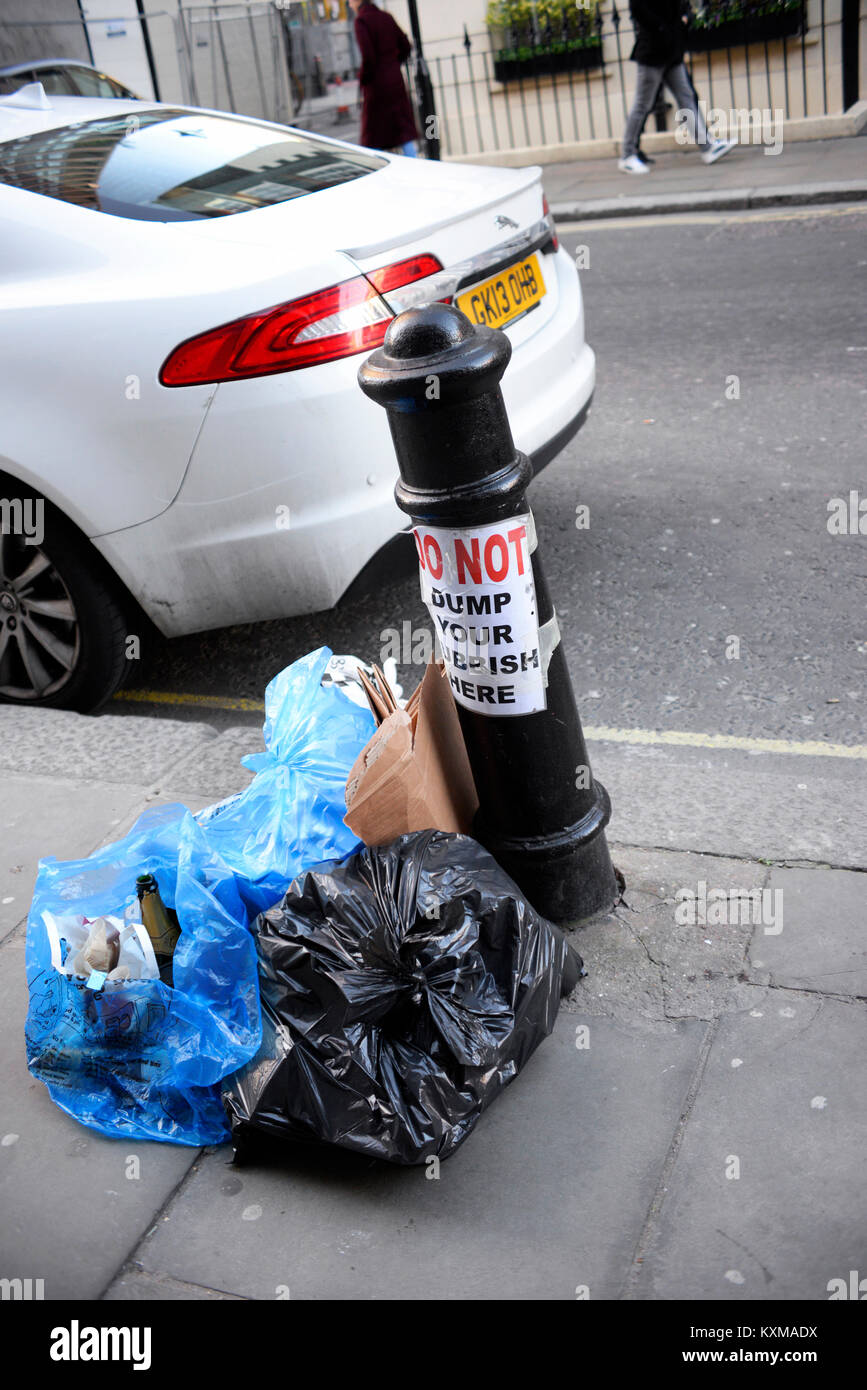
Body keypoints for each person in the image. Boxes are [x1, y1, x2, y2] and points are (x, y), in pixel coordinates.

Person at [619, 0, 735, 173]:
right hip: (653, 53)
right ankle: (627, 156)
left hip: (672, 51)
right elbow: (638, 8)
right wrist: (662, 30)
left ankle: (708, 148)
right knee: (642, 104)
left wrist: (684, 20)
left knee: (686, 96)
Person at [349, 0, 419, 157]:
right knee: (402, 130)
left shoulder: (362, 21)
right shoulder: (386, 17)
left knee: (374, 135)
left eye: (350, 1)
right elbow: (406, 46)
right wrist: (393, 64)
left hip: (376, 87)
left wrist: (363, 78)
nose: (349, 4)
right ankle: (414, 163)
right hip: (395, 81)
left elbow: (368, 57)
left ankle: (378, 171)